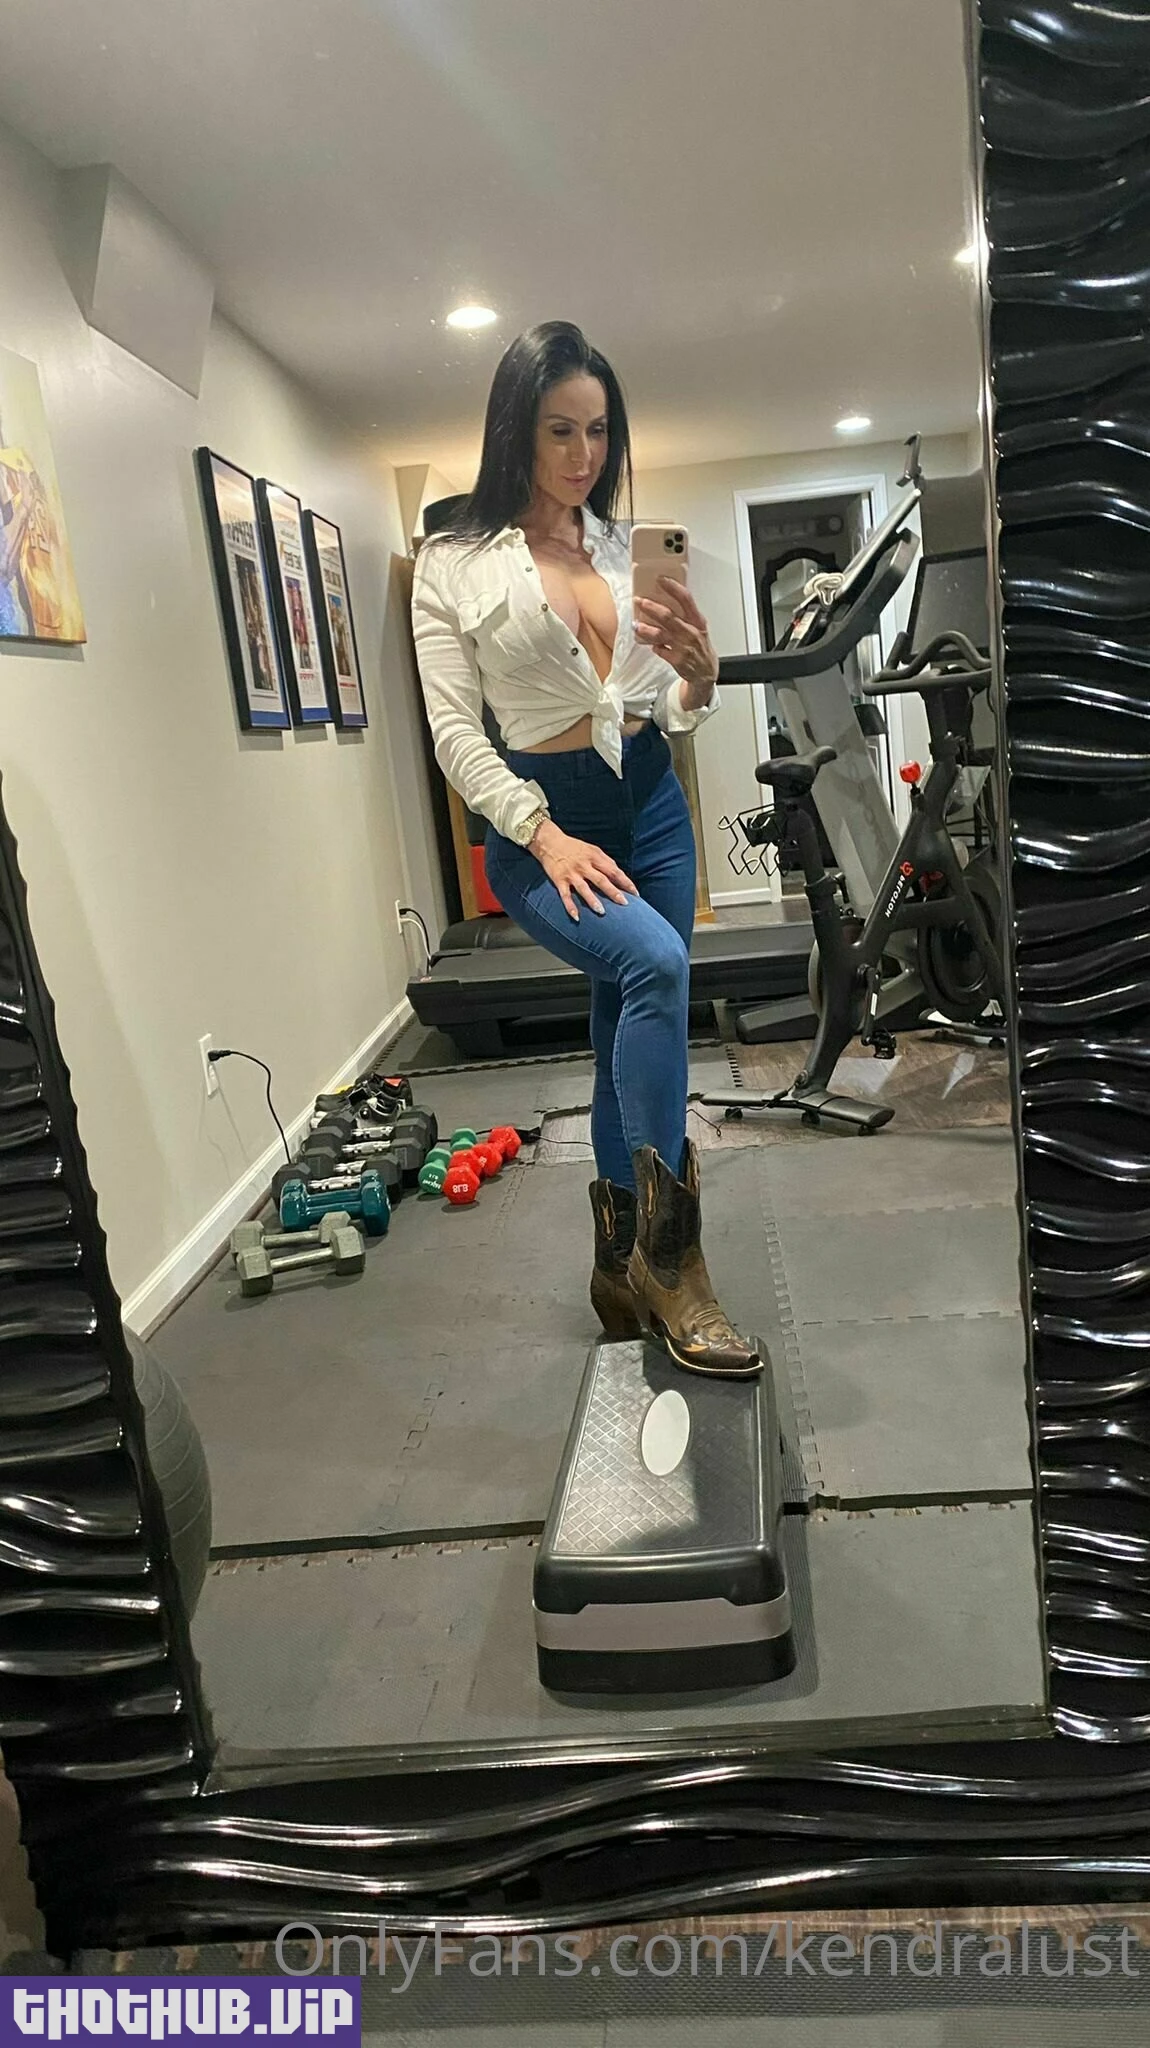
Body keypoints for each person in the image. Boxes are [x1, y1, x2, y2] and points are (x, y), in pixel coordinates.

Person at [412, 321, 759, 1377]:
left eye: (599, 431)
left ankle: (616, 1263)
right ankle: (674, 1263)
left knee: (627, 1010)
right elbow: (454, 732)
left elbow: (665, 707)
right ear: (514, 428)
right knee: (654, 966)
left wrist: (699, 677)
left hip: (650, 803)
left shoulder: (623, 549)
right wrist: (543, 833)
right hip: (541, 823)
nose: (582, 454)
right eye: (559, 429)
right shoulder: (451, 563)